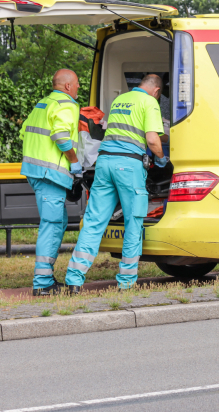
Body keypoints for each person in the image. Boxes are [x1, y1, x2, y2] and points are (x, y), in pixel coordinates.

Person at [65, 74, 168, 293]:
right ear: (156, 91)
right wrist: (161, 159)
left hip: (104, 163)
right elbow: (152, 139)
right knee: (134, 222)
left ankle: (74, 279)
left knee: (94, 222)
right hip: (129, 167)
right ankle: (126, 283)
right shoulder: (149, 102)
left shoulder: (120, 100)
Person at [19, 69, 83, 296]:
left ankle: (45, 275)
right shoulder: (67, 104)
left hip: (35, 172)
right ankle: (43, 282)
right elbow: (61, 136)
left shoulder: (42, 104)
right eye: (76, 84)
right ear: (67, 86)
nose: (78, 88)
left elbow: (23, 132)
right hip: (50, 175)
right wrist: (74, 162)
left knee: (59, 220)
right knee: (52, 223)